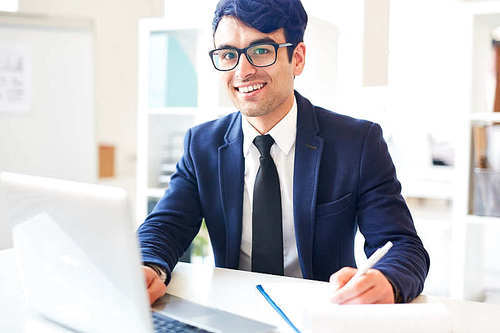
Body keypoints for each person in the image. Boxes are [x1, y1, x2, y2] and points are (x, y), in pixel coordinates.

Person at [138, 0, 430, 306]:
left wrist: (386, 279)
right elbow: (165, 226)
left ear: (298, 58)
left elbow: (403, 246)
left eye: (261, 50)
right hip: (233, 315)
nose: (243, 71)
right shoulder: (202, 145)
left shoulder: (357, 143)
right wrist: (148, 267)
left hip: (321, 314)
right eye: (228, 54)